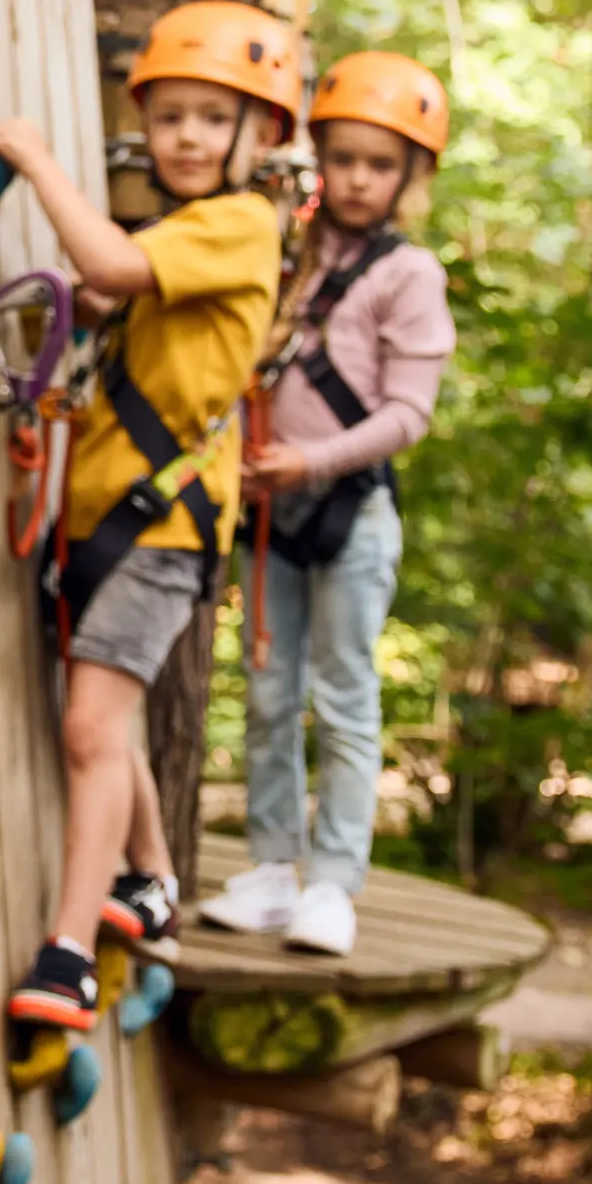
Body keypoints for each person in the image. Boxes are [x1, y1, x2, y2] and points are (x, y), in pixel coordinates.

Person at [0, 4, 304, 1044]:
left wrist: (36, 161)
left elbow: (116, 266)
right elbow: (126, 283)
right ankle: (153, 876)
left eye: (215, 117)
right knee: (102, 725)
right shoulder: (187, 237)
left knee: (90, 732)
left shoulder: (241, 223)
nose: (190, 137)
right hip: (112, 518)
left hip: (158, 529)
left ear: (261, 137)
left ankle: (70, 955)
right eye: (170, 117)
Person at [202, 49, 454, 961]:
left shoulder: (406, 274)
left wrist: (309, 459)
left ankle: (334, 883)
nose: (357, 178)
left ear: (411, 177)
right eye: (343, 158)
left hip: (347, 512)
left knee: (344, 698)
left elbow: (406, 414)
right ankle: (273, 868)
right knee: (270, 692)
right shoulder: (293, 254)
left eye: (379, 164)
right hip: (272, 507)